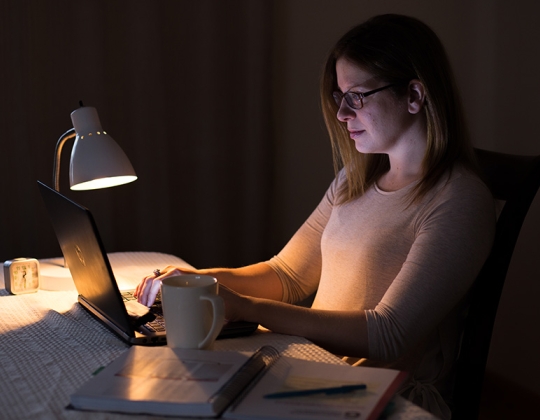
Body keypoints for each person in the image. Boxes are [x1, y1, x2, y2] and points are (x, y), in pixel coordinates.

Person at [135, 14, 496, 419]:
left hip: (383, 399)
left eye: (356, 96)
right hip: (311, 371)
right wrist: (199, 283)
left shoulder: (459, 200)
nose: (342, 114)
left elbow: (387, 335)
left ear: (414, 95)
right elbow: (287, 275)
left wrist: (244, 308)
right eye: (339, 96)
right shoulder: (354, 181)